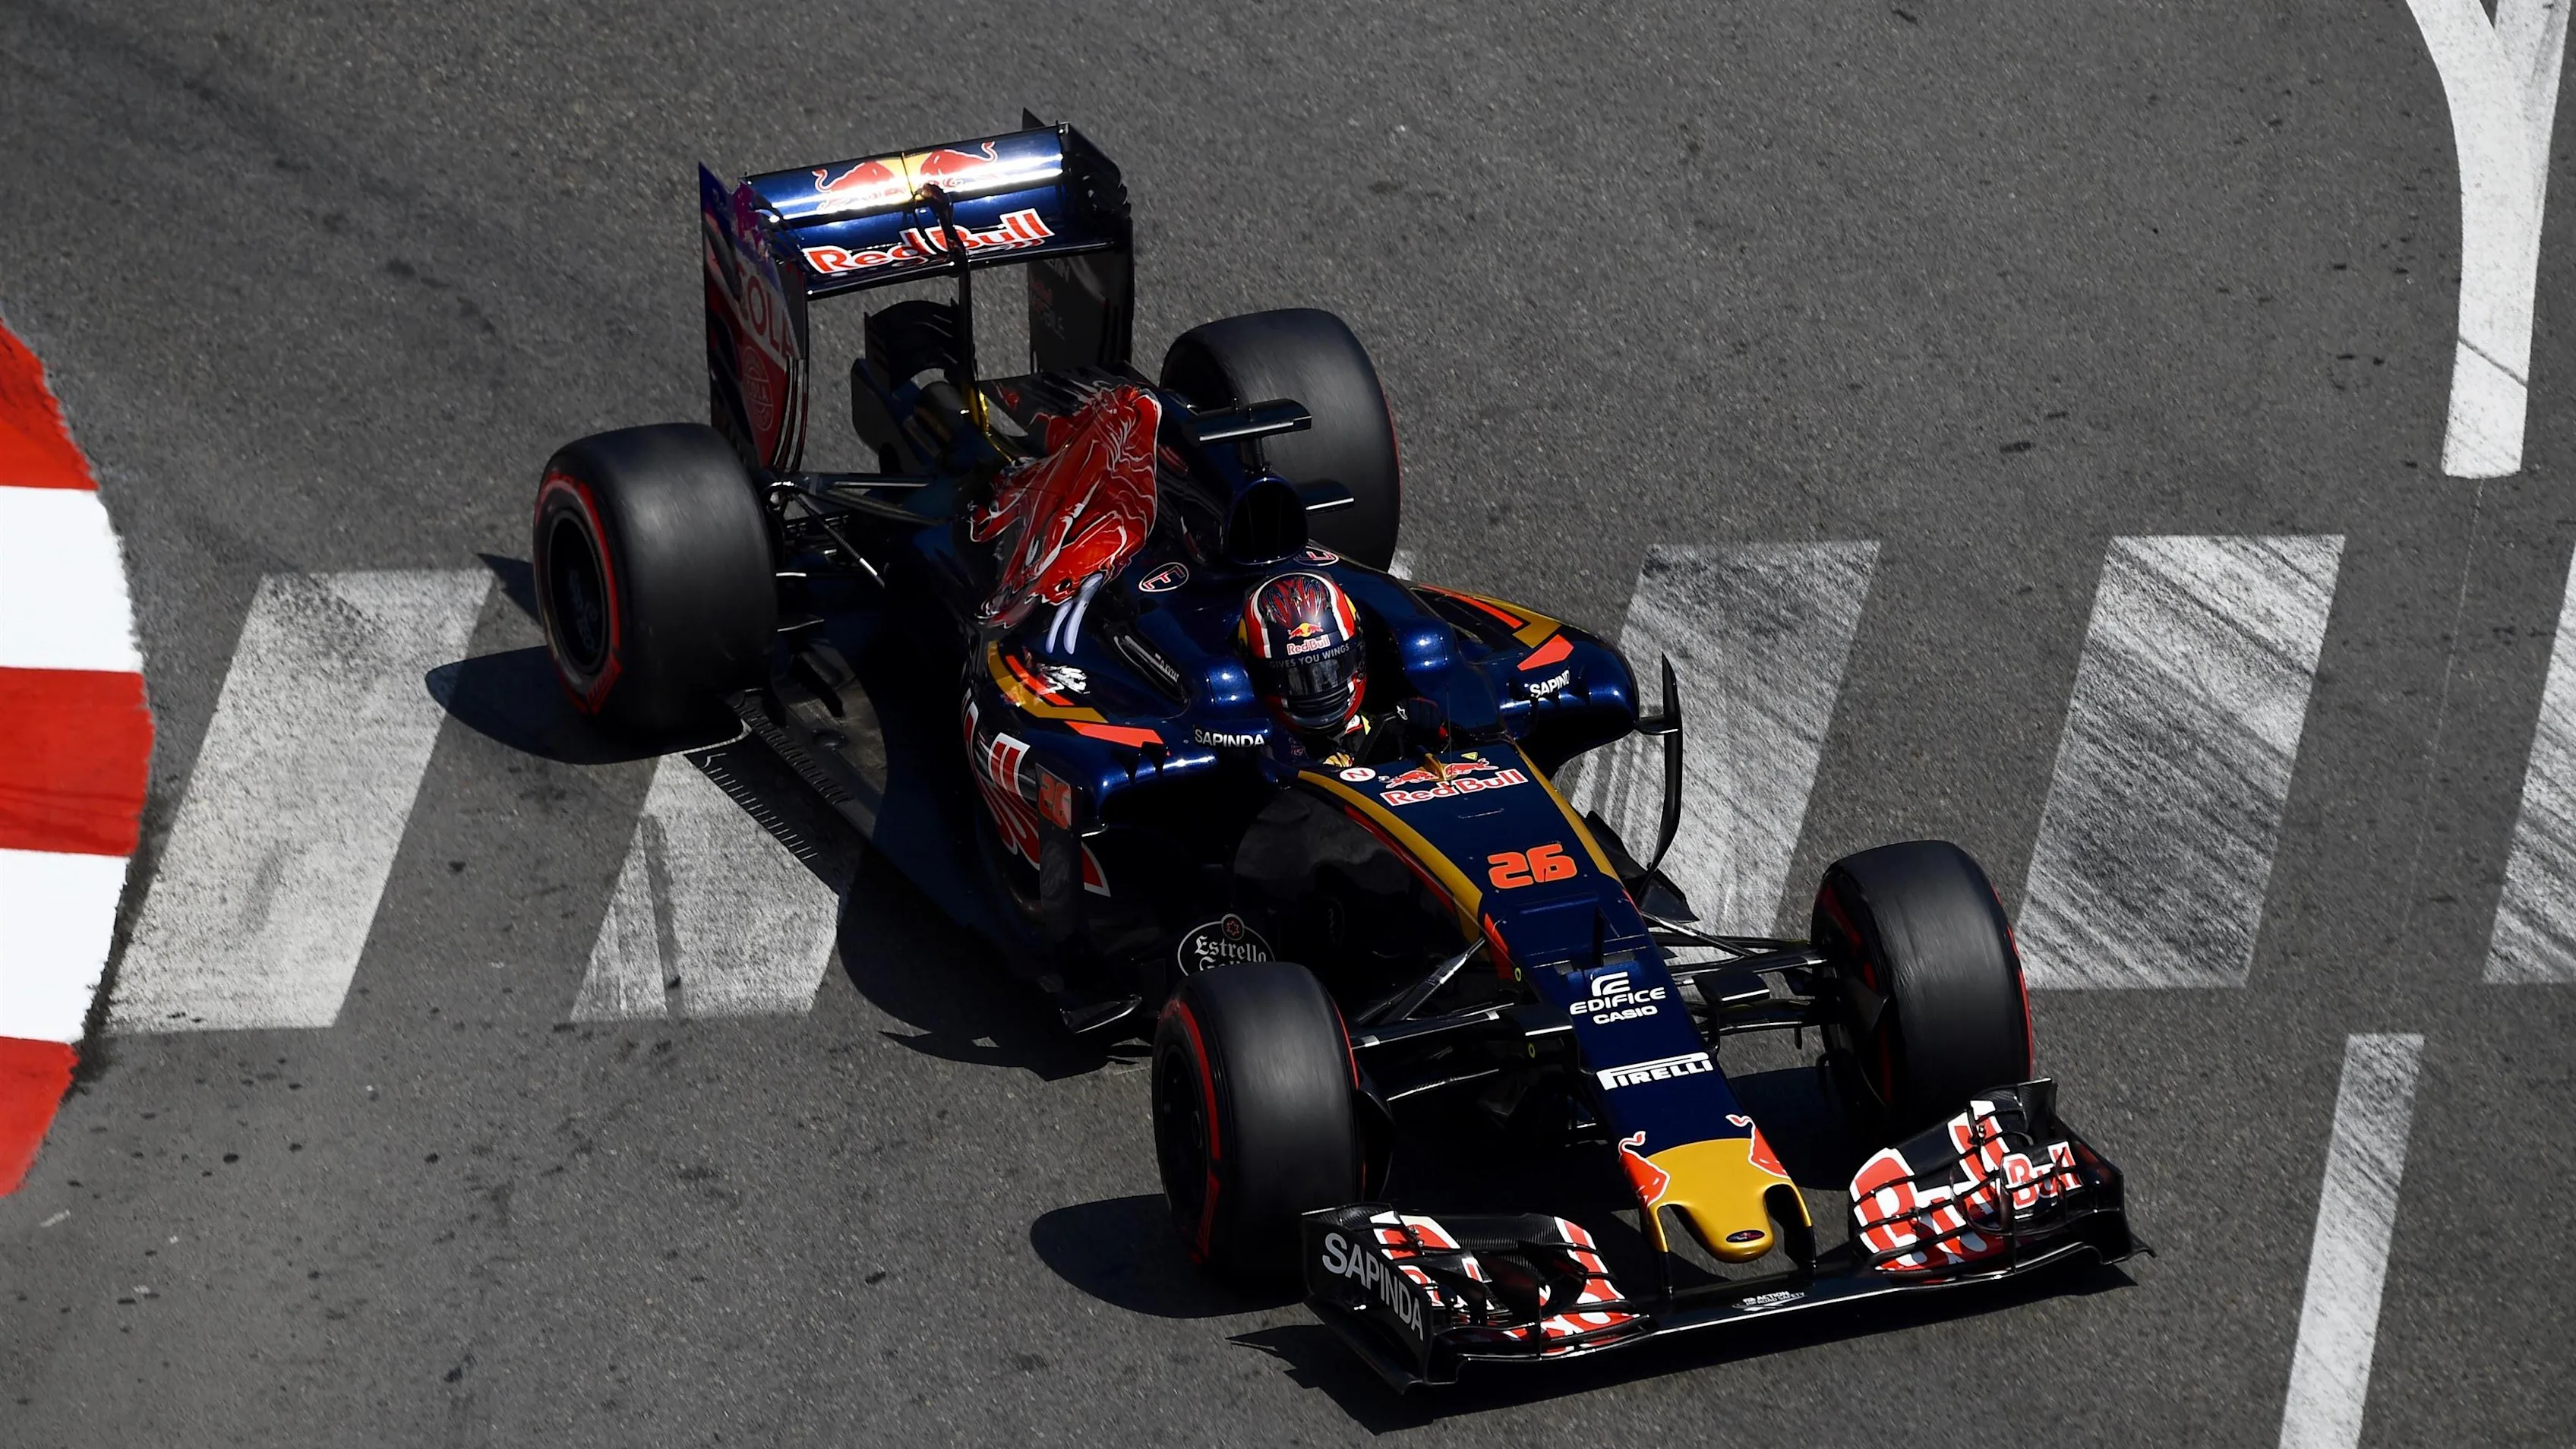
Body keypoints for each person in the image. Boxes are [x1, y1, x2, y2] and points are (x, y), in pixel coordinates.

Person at [1238, 570, 1378, 764]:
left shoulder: (1375, 731)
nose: (1319, 690)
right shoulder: (1261, 746)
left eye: (1331, 669)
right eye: (1294, 678)